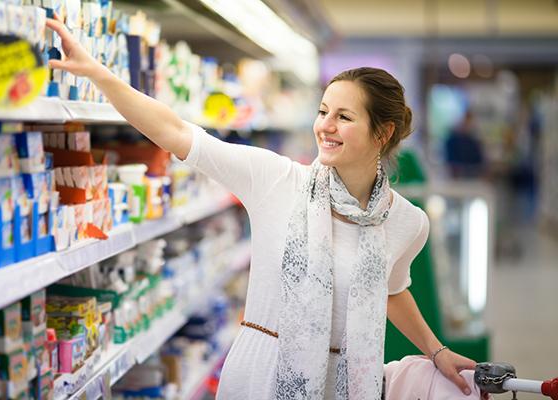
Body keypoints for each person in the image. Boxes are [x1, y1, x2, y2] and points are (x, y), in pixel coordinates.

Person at [46, 18, 482, 400]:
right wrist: (98, 75)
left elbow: (391, 289)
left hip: (345, 382)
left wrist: (435, 350)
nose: (324, 126)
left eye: (344, 117)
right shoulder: (276, 180)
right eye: (323, 110)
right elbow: (177, 131)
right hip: (260, 371)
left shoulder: (408, 221)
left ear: (382, 133)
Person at [444, 110, 486, 179]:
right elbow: (450, 161)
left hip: (473, 173)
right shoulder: (452, 140)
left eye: (469, 122)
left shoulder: (473, 141)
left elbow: (479, 160)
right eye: (465, 121)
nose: (467, 124)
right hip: (457, 175)